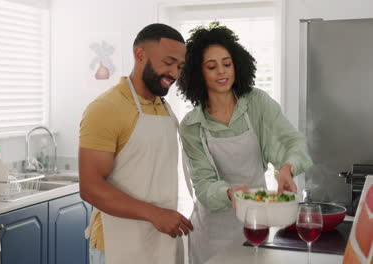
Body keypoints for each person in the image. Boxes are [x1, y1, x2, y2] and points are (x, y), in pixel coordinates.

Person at [177, 22, 314, 264]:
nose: (222, 71)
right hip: (212, 233)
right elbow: (204, 184)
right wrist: (230, 193)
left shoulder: (257, 104)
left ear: (237, 65)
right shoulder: (192, 125)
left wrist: (287, 168)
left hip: (256, 224)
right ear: (198, 73)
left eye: (227, 64)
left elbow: (292, 141)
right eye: (212, 66)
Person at [79, 23, 194, 264]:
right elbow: (90, 187)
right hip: (116, 245)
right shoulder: (106, 109)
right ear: (140, 55)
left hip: (160, 241)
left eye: (179, 66)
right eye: (168, 62)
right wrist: (155, 214)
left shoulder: (165, 109)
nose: (174, 73)